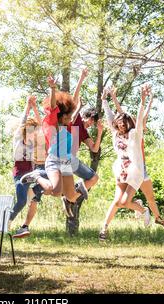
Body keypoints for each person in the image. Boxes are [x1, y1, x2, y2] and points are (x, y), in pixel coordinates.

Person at [109, 86, 164, 228]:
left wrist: (150, 101)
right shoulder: (129, 132)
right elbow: (121, 113)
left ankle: (158, 218)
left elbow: (143, 114)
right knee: (122, 199)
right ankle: (140, 208)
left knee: (150, 197)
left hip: (141, 168)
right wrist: (113, 97)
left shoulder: (138, 132)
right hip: (129, 168)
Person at [99, 85, 153, 241]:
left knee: (123, 202)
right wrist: (104, 100)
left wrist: (143, 101)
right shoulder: (115, 133)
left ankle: (143, 210)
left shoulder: (134, 134)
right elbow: (109, 115)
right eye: (119, 123)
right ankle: (104, 229)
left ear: (129, 124)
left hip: (135, 171)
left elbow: (140, 117)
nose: (121, 125)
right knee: (117, 202)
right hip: (121, 170)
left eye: (124, 123)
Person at [20, 76, 83, 209]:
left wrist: (81, 79)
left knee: (64, 194)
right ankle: (36, 176)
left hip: (65, 160)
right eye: (68, 116)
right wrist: (53, 88)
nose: (70, 119)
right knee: (55, 191)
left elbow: (74, 102)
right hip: (54, 159)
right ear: (62, 116)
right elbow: (54, 106)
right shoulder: (52, 122)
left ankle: (74, 192)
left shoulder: (68, 125)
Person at [63, 68, 102, 217]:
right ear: (85, 116)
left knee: (93, 178)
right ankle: (71, 193)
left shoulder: (84, 132)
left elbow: (94, 148)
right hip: (64, 156)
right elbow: (75, 98)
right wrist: (81, 78)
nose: (91, 123)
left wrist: (99, 132)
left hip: (70, 160)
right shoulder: (76, 119)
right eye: (91, 120)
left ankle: (69, 199)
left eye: (94, 122)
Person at [10, 96, 46, 238]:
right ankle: (8, 221)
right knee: (21, 201)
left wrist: (35, 108)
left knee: (52, 175)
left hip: (32, 173)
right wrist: (27, 106)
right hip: (20, 174)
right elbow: (22, 121)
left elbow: (42, 126)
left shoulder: (36, 142)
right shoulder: (19, 138)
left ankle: (32, 193)